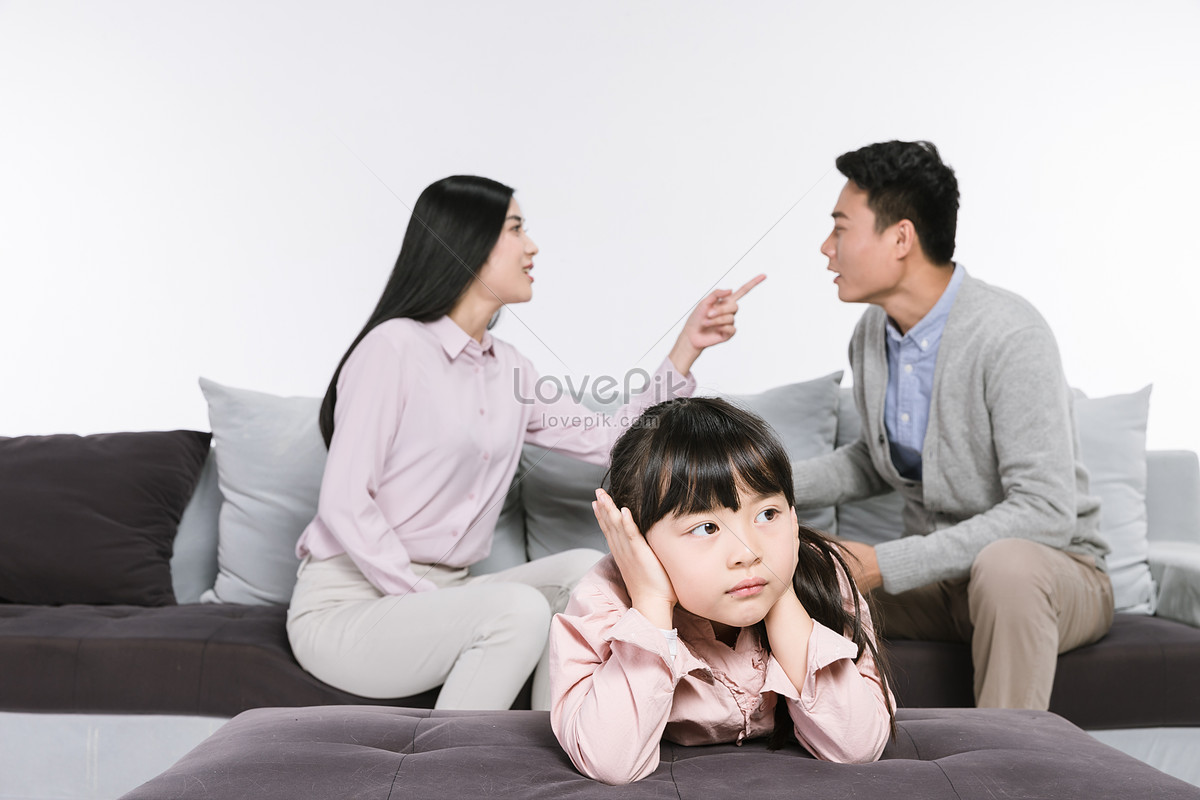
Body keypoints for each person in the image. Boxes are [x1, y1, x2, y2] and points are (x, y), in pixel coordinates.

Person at [287, 175, 763, 713]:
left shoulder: (508, 368)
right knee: (514, 610)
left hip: (444, 596)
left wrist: (685, 350)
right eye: (516, 228)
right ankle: (453, 773)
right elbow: (345, 503)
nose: (532, 245)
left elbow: (612, 440)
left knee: (588, 570)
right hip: (348, 605)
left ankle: (556, 750)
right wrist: (428, 600)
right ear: (466, 241)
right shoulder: (393, 347)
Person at [793, 140, 1113, 710]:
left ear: (900, 239)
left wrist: (885, 563)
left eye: (840, 227)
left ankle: (1002, 777)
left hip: (1053, 575)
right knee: (799, 574)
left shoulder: (1009, 334)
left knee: (1006, 566)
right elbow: (878, 459)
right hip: (944, 584)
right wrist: (762, 484)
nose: (826, 247)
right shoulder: (872, 334)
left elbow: (1044, 511)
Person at [550, 397, 895, 785]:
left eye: (767, 515)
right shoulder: (604, 600)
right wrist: (650, 603)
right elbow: (611, 763)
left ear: (794, 517)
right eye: (707, 528)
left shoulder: (825, 578)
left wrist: (782, 594)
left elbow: (858, 744)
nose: (748, 553)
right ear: (637, 540)